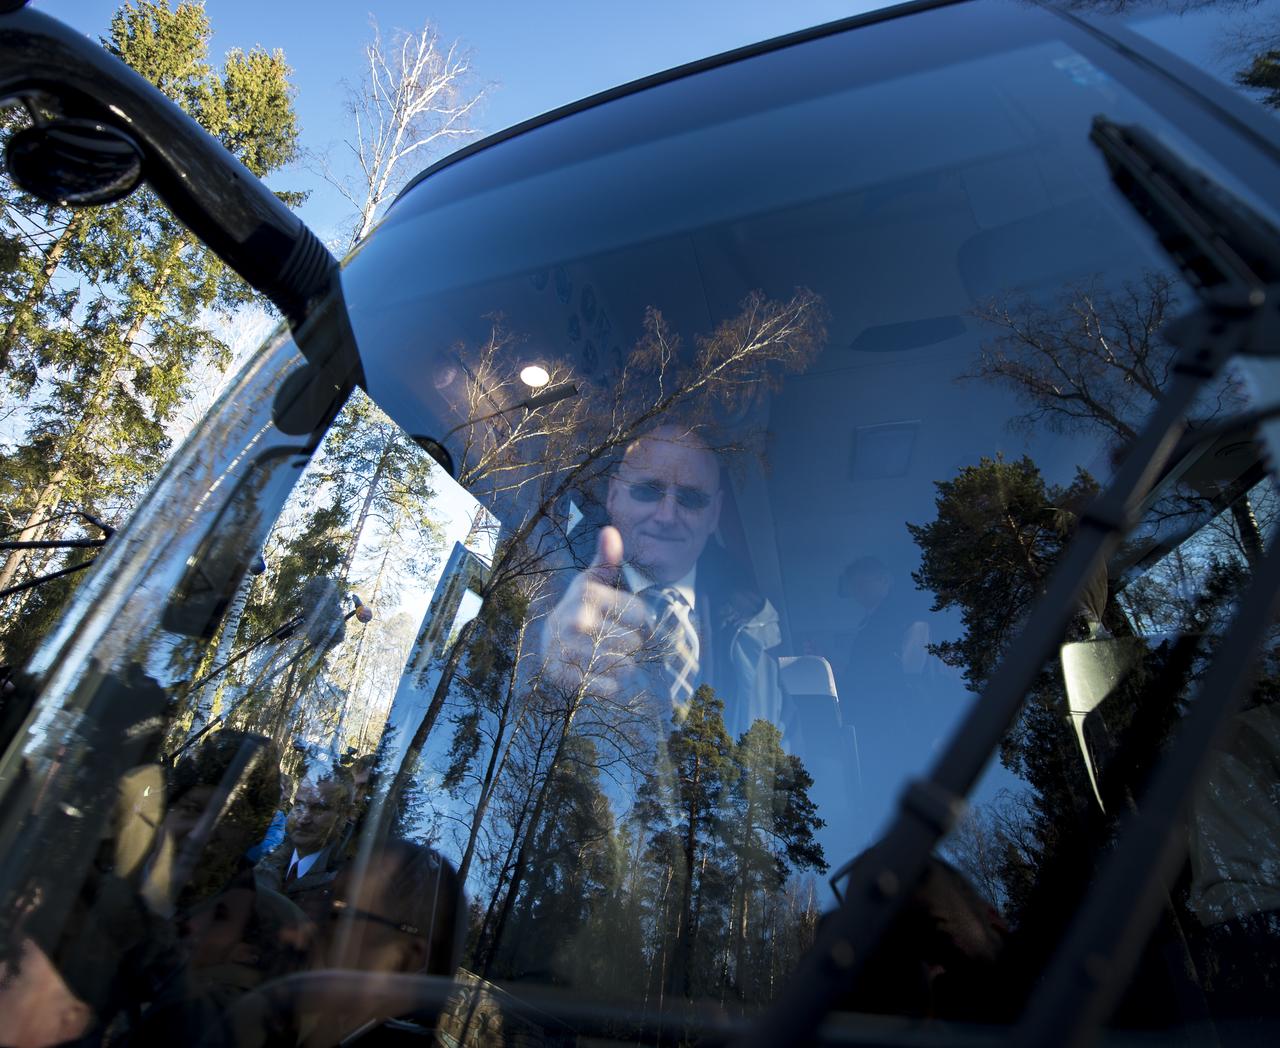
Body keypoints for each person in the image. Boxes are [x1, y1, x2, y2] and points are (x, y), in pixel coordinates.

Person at [541, 424, 782, 736]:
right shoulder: (543, 588)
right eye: (647, 491)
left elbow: (780, 757)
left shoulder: (756, 644)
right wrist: (547, 664)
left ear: (714, 514)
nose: (667, 516)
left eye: (691, 499)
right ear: (613, 495)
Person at [255, 765, 355, 924]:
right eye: (299, 805)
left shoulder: (345, 887)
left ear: (345, 814)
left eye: (319, 809)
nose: (303, 819)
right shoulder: (267, 863)